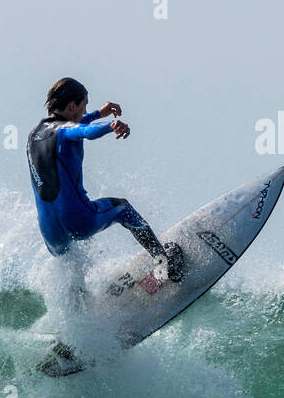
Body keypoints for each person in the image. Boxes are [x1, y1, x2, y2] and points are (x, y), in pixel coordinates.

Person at [26, 77, 183, 281]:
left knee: (73, 261)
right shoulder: (67, 131)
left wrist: (99, 113)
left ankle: (80, 306)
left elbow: (72, 125)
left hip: (51, 235)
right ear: (72, 104)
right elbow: (84, 131)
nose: (84, 111)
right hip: (78, 220)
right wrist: (111, 125)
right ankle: (164, 263)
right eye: (84, 105)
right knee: (123, 208)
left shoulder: (34, 135)